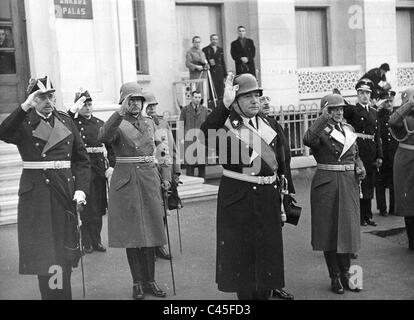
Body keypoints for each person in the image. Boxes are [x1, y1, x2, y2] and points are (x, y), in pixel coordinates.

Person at [200, 73, 290, 300]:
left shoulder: (269, 124)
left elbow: (282, 162)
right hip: (239, 200)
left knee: (268, 259)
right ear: (236, 101)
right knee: (244, 264)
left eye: (256, 95)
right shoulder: (226, 125)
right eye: (247, 96)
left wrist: (286, 197)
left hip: (268, 198)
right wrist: (224, 104)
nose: (254, 101)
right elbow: (204, 135)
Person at [0, 76, 90, 299]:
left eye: (51, 95)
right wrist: (24, 107)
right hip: (38, 195)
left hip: (64, 192)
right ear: (32, 99)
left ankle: (61, 295)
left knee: (64, 252)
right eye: (41, 97)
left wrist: (81, 189)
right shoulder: (22, 121)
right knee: (46, 254)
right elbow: (3, 133)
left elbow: (81, 160)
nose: (48, 100)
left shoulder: (66, 121)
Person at [98, 82, 171, 299]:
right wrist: (118, 113)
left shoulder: (149, 123)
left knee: (150, 232)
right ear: (124, 102)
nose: (136, 104)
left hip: (149, 179)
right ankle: (137, 282)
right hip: (126, 181)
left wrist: (166, 177)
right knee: (133, 235)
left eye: (138, 100)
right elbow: (102, 137)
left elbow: (162, 151)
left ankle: (151, 281)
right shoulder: (116, 123)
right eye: (131, 100)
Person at [303, 93, 365, 294]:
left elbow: (354, 154)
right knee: (329, 231)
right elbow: (308, 139)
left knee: (347, 229)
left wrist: (359, 166)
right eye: (333, 109)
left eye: (340, 109)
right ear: (326, 110)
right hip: (327, 184)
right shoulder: (320, 130)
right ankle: (335, 277)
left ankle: (348, 274)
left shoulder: (349, 129)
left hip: (348, 184)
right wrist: (322, 118)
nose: (338, 112)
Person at [67, 89, 115, 253]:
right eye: (83, 105)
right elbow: (63, 121)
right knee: (85, 208)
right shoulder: (72, 123)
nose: (87, 108)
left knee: (98, 208)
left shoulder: (100, 123)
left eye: (89, 104)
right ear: (78, 106)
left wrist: (112, 166)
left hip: (98, 170)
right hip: (82, 170)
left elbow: (111, 147)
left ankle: (97, 240)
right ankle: (86, 242)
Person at [259, 95, 295, 300]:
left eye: (265, 99)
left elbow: (284, 157)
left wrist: (286, 188)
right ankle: (261, 286)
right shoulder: (248, 127)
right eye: (259, 98)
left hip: (275, 187)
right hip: (257, 188)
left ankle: (275, 284)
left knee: (274, 241)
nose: (264, 102)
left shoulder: (273, 124)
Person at [144, 91, 181, 260]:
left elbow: (172, 148)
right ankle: (149, 247)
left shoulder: (163, 123)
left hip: (163, 171)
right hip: (147, 172)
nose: (152, 109)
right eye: (148, 106)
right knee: (149, 211)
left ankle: (159, 245)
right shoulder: (141, 124)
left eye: (154, 106)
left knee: (163, 212)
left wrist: (176, 172)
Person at [343, 78, 383, 227]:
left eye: (367, 93)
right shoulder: (353, 110)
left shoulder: (374, 112)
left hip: (372, 151)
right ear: (357, 95)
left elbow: (377, 134)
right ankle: (359, 216)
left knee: (369, 184)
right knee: (359, 183)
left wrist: (380, 155)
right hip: (358, 150)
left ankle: (368, 216)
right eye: (361, 93)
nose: (365, 96)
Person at [389, 87, 414, 251]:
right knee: (408, 202)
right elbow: (393, 121)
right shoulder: (404, 118)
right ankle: (412, 241)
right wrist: (410, 104)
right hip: (406, 162)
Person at [375, 90, 397, 216]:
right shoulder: (378, 116)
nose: (389, 104)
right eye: (386, 101)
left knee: (394, 183)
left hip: (394, 154)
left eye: (391, 101)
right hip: (383, 154)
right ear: (382, 103)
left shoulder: (397, 115)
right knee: (381, 183)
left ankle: (393, 208)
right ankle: (382, 209)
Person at [179, 90, 208, 178]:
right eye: (195, 97)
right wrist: (181, 138)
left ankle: (203, 184)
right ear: (192, 98)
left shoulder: (204, 110)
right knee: (190, 165)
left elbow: (208, 124)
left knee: (201, 165)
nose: (197, 99)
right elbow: (181, 123)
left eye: (199, 97)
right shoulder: (185, 109)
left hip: (201, 140)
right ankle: (190, 185)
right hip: (189, 140)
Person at [202, 34, 227, 99]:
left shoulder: (220, 49)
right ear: (210, 40)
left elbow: (222, 62)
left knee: (221, 90)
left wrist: (225, 74)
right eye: (213, 39)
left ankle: (221, 103)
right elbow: (203, 61)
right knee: (212, 89)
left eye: (216, 39)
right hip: (212, 72)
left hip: (220, 72)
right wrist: (208, 63)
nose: (215, 41)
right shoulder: (206, 49)